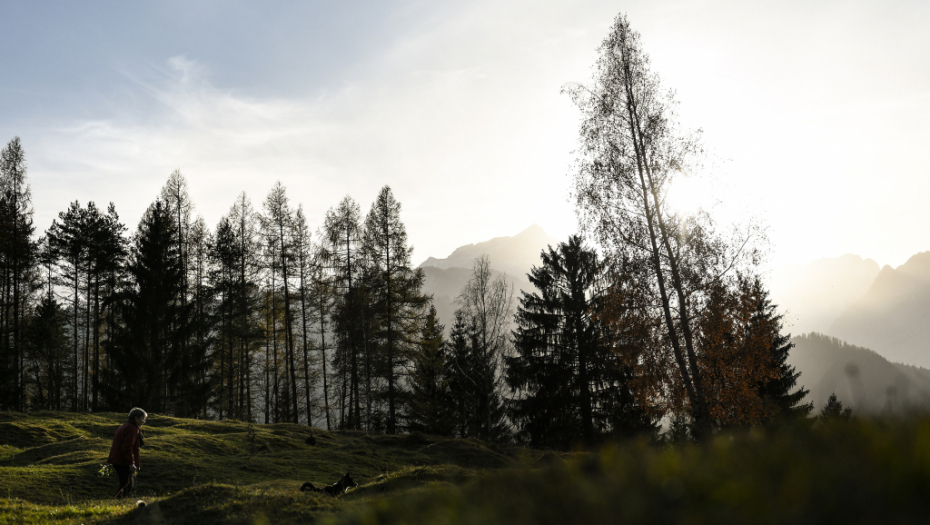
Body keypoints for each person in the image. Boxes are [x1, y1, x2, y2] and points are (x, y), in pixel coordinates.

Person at [107, 407, 147, 498]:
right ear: (136, 418)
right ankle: (120, 501)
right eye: (142, 419)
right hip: (122, 461)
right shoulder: (132, 428)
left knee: (125, 482)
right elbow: (127, 447)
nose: (144, 421)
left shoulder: (127, 426)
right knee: (127, 484)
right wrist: (131, 463)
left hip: (119, 460)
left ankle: (120, 501)